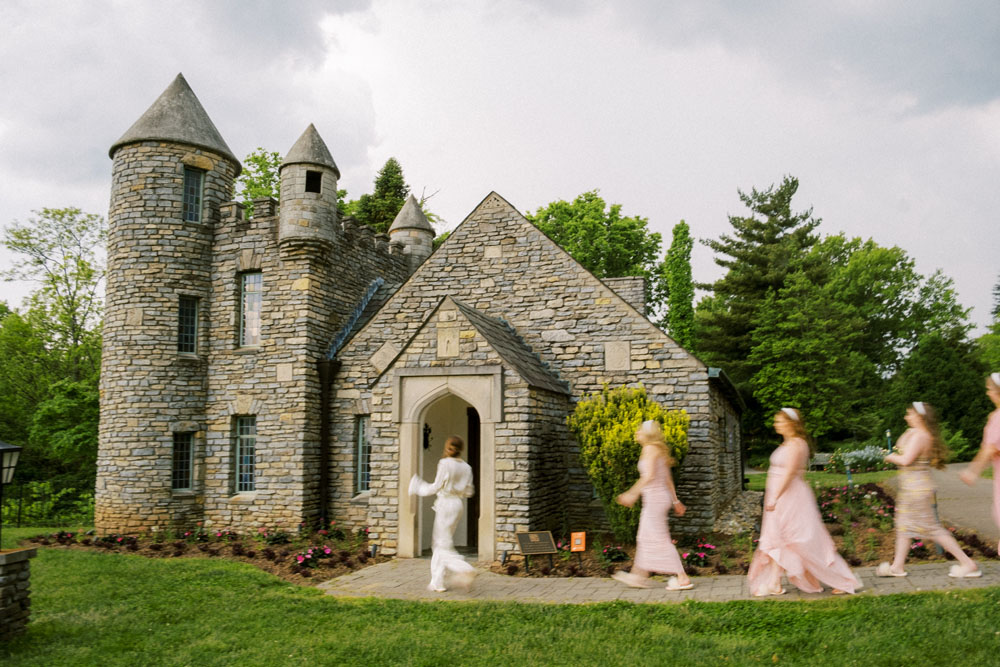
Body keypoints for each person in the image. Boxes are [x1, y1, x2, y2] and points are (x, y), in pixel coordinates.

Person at [747, 408, 861, 596]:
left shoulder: (798, 444)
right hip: (779, 496)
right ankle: (775, 583)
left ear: (792, 424)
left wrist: (776, 496)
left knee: (803, 541)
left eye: (780, 421)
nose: (776, 424)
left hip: (791, 497)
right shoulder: (786, 444)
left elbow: (791, 473)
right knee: (778, 538)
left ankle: (843, 579)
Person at [879, 402, 980, 578]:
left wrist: (890, 457)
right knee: (904, 527)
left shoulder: (920, 436)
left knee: (933, 529)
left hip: (916, 489)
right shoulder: (918, 434)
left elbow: (906, 460)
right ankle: (897, 566)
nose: (905, 417)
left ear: (919, 416)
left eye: (909, 414)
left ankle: (968, 563)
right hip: (912, 488)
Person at [612, 419, 693, 591]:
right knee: (645, 537)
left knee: (658, 538)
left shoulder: (650, 449)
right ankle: (638, 576)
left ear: (647, 435)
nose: (636, 433)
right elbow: (667, 479)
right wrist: (675, 501)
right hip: (657, 498)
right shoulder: (656, 450)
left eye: (639, 430)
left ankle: (682, 577)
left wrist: (631, 494)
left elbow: (648, 476)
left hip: (655, 500)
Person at [408, 435, 477, 592]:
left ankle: (464, 568)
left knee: (441, 544)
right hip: (458, 505)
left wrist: (417, 486)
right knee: (441, 543)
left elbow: (436, 486)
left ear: (448, 448)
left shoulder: (445, 463)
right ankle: (437, 583)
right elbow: (469, 491)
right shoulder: (467, 468)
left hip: (445, 504)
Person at [959, 373, 1000, 553]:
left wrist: (972, 471)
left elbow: (990, 449)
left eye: (989, 389)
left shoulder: (998, 417)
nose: (987, 393)